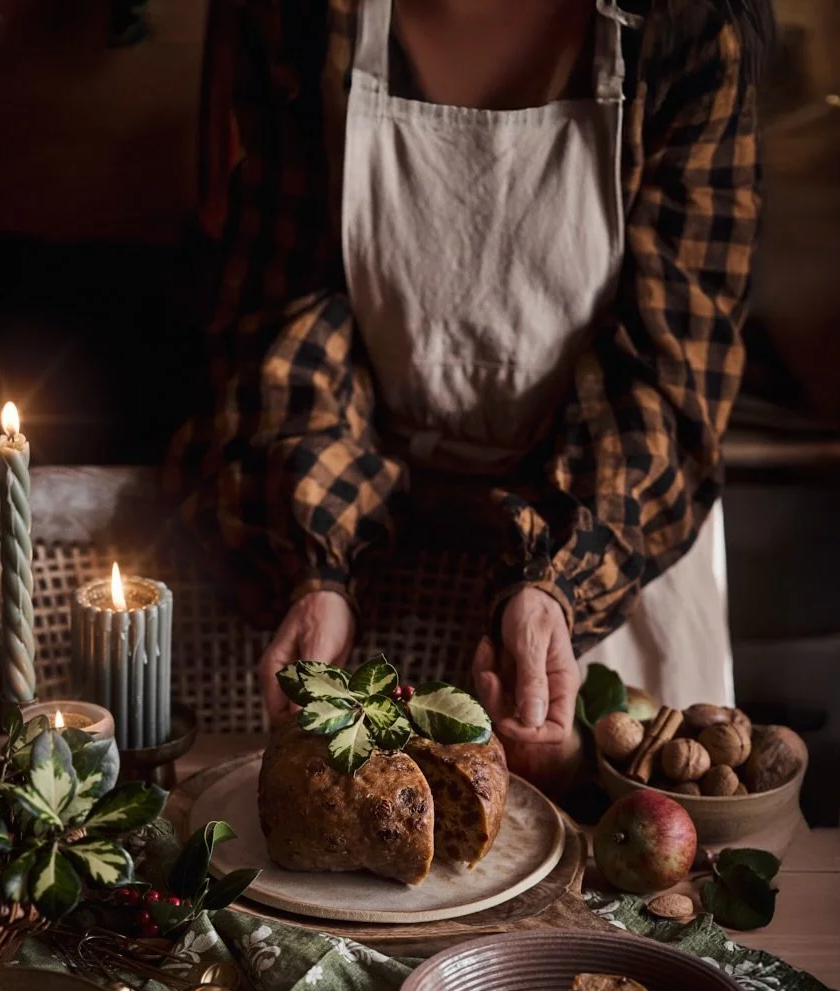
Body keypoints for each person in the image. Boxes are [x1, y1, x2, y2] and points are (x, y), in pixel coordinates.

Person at [168, 0, 773, 778]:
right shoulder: (306, 17)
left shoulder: (685, 28)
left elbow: (670, 365)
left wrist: (555, 582)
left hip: (609, 544)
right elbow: (287, 309)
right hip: (362, 522)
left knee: (602, 843)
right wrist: (319, 562)